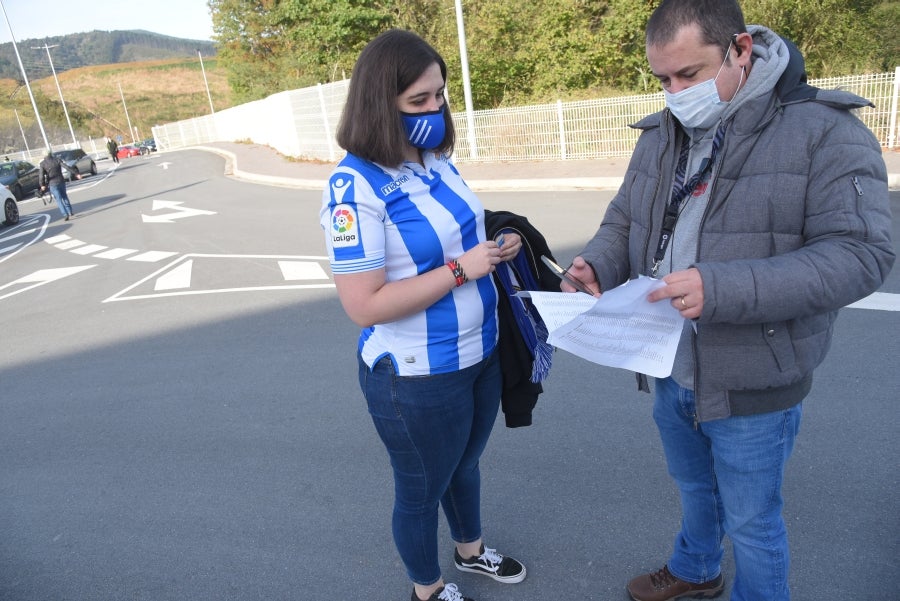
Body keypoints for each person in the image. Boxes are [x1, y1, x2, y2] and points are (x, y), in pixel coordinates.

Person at [562, 1, 895, 600]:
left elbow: (860, 256)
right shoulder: (663, 132)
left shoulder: (826, 131)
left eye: (688, 75)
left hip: (753, 376)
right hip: (669, 363)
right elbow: (625, 218)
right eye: (663, 79)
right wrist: (598, 262)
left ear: (740, 49)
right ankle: (696, 568)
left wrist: (721, 288)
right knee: (695, 488)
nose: (675, 93)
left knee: (753, 523)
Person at [319, 29, 527, 601]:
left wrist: (498, 245)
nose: (435, 110)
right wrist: (462, 269)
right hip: (415, 375)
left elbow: (462, 235)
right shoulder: (352, 188)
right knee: (420, 489)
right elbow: (363, 304)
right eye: (419, 100)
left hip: (480, 352)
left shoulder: (435, 160)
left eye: (439, 96)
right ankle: (428, 589)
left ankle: (470, 552)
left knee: (465, 465)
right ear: (379, 102)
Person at [39, 150, 82, 221]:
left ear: (44, 155)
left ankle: (65, 214)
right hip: (61, 181)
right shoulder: (57, 160)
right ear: (50, 153)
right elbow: (67, 167)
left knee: (59, 200)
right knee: (64, 196)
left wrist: (42, 184)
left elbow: (41, 175)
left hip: (52, 183)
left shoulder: (42, 164)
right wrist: (76, 173)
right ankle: (70, 211)